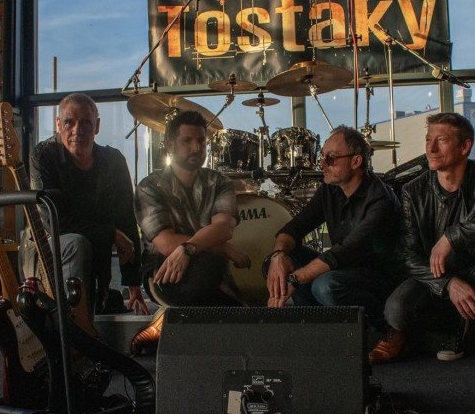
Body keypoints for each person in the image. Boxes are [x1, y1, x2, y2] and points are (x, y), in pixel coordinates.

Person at [369, 112, 475, 381]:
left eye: (441, 140)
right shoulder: (413, 191)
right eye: (428, 139)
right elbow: (407, 255)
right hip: (441, 278)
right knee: (396, 309)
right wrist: (448, 284)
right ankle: (456, 326)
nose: (430, 148)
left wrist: (453, 236)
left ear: (465, 146)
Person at [131, 110, 251, 352]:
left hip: (208, 270)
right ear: (170, 145)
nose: (196, 148)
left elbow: (223, 227)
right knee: (210, 270)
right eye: (187, 141)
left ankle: (164, 326)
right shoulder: (149, 186)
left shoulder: (219, 182)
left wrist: (189, 248)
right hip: (161, 268)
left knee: (208, 266)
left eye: (201, 141)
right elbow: (165, 243)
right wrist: (222, 248)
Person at [23, 92, 149, 319]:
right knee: (77, 243)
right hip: (45, 248)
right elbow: (54, 222)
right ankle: (74, 328)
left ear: (97, 126)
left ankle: (91, 309)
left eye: (85, 122)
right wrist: (110, 233)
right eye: (69, 122)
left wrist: (133, 284)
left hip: (95, 253)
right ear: (58, 125)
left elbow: (126, 220)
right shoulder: (43, 156)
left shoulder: (114, 161)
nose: (77, 130)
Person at [266, 126, 401, 331]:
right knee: (285, 259)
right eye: (322, 156)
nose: (322, 163)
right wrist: (278, 256)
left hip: (379, 276)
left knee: (325, 286)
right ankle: (319, 328)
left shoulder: (380, 200)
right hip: (345, 267)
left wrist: (294, 279)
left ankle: (383, 329)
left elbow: (346, 250)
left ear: (356, 161)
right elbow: (295, 227)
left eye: (330, 158)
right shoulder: (330, 189)